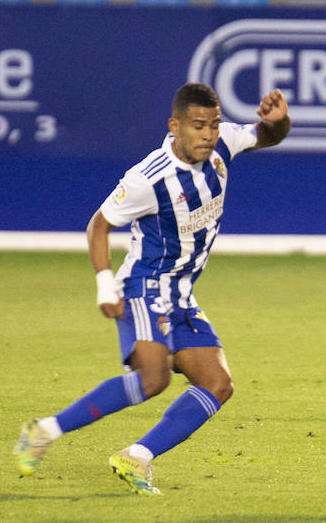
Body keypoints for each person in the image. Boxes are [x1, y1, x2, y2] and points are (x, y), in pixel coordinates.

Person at [14, 83, 290, 495]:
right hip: (144, 286)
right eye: (198, 126)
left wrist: (278, 120)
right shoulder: (147, 178)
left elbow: (266, 135)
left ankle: (136, 456)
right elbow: (99, 225)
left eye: (213, 125)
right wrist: (105, 285)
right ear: (174, 126)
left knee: (218, 383)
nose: (209, 134)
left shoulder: (222, 146)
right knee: (153, 378)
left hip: (181, 292)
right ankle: (44, 431)